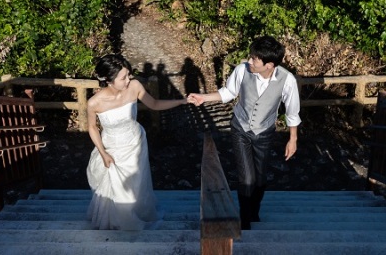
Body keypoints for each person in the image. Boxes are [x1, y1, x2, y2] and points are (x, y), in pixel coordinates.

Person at [188, 35, 301, 230]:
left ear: (269, 65)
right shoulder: (242, 70)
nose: (249, 61)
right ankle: (244, 218)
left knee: (261, 179)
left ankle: (253, 209)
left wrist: (293, 139)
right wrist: (203, 98)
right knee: (247, 178)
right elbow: (228, 93)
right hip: (240, 128)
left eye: (255, 58)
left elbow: (292, 111)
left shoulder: (287, 79)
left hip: (265, 132)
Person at [85, 53, 188, 230]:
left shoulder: (134, 86)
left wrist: (182, 101)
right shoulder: (94, 102)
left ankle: (139, 212)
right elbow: (92, 127)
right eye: (123, 77)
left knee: (137, 184)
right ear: (109, 80)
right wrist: (103, 153)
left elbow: (154, 104)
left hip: (136, 143)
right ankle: (120, 220)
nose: (128, 79)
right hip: (112, 148)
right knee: (117, 188)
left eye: (128, 75)